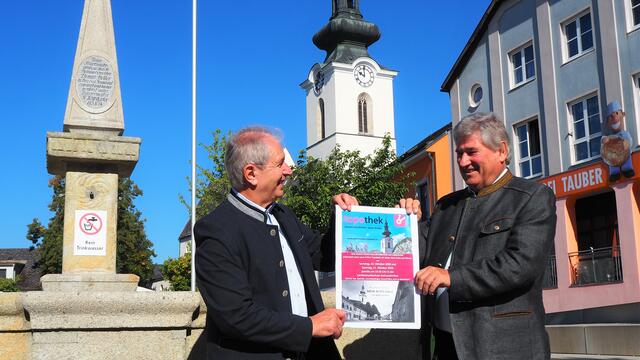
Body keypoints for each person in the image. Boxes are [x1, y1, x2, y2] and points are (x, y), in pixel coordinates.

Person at [194, 126, 358, 360]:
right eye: (280, 163)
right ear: (251, 173)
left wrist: (341, 218)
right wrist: (309, 327)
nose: (289, 170)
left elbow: (324, 258)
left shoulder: (283, 215)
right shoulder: (216, 230)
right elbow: (236, 316)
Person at [412, 112, 557, 359]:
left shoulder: (532, 197)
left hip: (503, 347)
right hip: (446, 347)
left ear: (501, 151)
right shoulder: (446, 206)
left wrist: (451, 277)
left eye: (471, 152)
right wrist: (401, 222)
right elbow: (414, 251)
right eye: (459, 154)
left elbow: (520, 266)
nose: (463, 161)